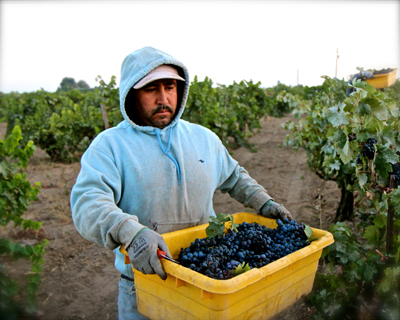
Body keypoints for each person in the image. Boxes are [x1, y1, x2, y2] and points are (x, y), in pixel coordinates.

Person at [70, 46, 293, 319]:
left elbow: (234, 177)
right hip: (147, 284)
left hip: (208, 280)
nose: (163, 98)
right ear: (132, 94)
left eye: (170, 87)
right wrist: (131, 232)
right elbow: (88, 203)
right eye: (151, 89)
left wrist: (264, 201)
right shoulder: (109, 147)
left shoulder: (204, 138)